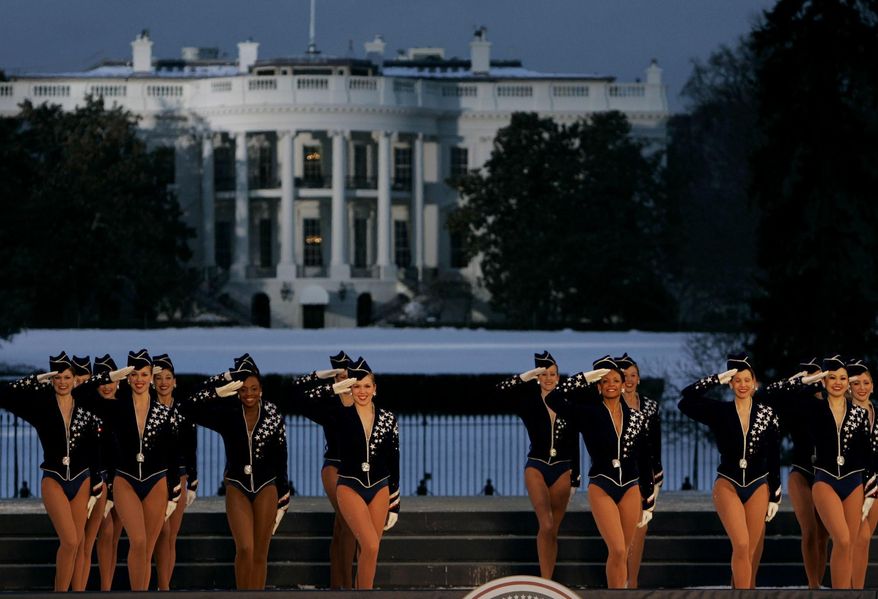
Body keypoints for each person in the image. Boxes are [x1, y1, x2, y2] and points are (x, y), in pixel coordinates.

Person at [178, 354, 289, 590]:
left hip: (267, 486)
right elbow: (187, 406)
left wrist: (284, 494)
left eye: (254, 388)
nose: (249, 393)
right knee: (245, 548)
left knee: (260, 552)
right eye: (243, 389)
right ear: (236, 390)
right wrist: (222, 382)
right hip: (237, 485)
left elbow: (281, 455)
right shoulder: (227, 413)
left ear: (261, 389)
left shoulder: (272, 413)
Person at [73, 349, 181, 591]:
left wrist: (174, 491)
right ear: (128, 378)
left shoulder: (164, 413)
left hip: (157, 482)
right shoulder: (115, 408)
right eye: (134, 374)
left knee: (147, 547)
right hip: (126, 481)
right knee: (139, 540)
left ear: (151, 376)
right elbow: (80, 394)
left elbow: (174, 453)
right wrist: (107, 376)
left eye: (144, 374)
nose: (140, 379)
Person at [545, 355, 654, 589]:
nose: (611, 384)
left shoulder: (636, 418)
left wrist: (649, 499)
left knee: (623, 552)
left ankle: (618, 592)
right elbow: (554, 398)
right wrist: (583, 378)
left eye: (616, 380)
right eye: (605, 381)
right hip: (602, 485)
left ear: (624, 383)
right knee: (616, 548)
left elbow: (645, 459)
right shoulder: (587, 414)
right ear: (598, 386)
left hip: (631, 488)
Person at [0, 352, 105, 591]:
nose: (62, 382)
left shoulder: (85, 409)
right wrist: (35, 380)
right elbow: (4, 395)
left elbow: (94, 449)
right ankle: (58, 594)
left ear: (74, 378)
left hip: (82, 480)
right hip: (54, 480)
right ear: (51, 379)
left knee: (77, 544)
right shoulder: (41, 408)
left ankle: (74, 593)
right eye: (57, 377)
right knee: (69, 541)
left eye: (67, 377)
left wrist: (97, 482)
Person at [768, 355, 876, 588]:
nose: (838, 382)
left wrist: (871, 491)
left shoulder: (857, 414)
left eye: (843, 378)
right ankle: (816, 586)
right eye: (832, 378)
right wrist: (804, 382)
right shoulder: (813, 409)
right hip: (823, 480)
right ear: (824, 382)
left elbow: (867, 455)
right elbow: (770, 395)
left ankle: (850, 591)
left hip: (854, 483)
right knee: (842, 539)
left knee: (851, 542)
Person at [678, 353, 782, 589]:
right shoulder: (720, 412)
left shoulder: (767, 414)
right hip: (728, 483)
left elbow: (774, 455)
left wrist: (775, 492)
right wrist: (715, 379)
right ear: (731, 384)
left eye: (747, 379)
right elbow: (685, 400)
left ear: (754, 381)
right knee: (742, 545)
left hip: (758, 484)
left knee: (751, 552)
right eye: (737, 380)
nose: (743, 385)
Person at [302, 357, 399, 589]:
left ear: (375, 389)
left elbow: (393, 459)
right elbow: (299, 397)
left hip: (380, 488)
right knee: (371, 545)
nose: (362, 391)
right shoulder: (340, 414)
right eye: (356, 386)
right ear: (349, 388)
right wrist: (328, 382)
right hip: (349, 486)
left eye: (367, 386)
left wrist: (395, 503)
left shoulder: (387, 418)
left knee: (371, 550)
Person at [496, 351, 579, 579]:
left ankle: (547, 581)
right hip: (537, 466)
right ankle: (545, 581)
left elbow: (575, 440)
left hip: (563, 467)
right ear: (538, 378)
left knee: (553, 530)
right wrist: (525, 376)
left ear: (559, 377)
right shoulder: (529, 403)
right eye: (544, 374)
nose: (549, 378)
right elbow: (500, 391)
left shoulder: (568, 403)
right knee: (546, 522)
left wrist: (576, 477)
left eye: (553, 374)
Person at [279, 351, 357, 588]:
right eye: (338, 378)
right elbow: (293, 394)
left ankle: (338, 585)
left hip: (358, 472)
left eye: (347, 376)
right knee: (349, 520)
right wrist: (317, 377)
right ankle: (346, 587)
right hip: (334, 467)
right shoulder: (328, 405)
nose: (343, 381)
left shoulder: (364, 402)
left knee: (342, 527)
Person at [759, 357, 829, 588]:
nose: (813, 380)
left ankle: (819, 584)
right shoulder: (794, 405)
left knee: (823, 534)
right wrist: (792, 383)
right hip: (801, 472)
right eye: (807, 375)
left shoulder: (836, 404)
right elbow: (762, 397)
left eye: (816, 374)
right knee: (809, 531)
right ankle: (813, 587)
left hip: (829, 474)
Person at [615, 353, 663, 589]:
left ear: (639, 378)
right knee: (622, 536)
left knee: (639, 532)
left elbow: (656, 444)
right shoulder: (611, 406)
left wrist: (656, 477)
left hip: (648, 476)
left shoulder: (651, 407)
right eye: (624, 376)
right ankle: (619, 582)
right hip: (620, 477)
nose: (629, 380)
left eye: (633, 375)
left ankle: (632, 583)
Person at [152, 353, 198, 591]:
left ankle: (164, 588)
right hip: (154, 476)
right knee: (162, 530)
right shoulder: (145, 408)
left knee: (171, 536)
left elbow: (192, 447)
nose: (163, 382)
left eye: (168, 377)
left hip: (179, 475)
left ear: (175, 381)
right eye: (158, 378)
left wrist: (193, 481)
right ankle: (161, 586)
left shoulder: (184, 410)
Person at [90, 354, 125, 591]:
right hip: (100, 477)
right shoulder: (90, 407)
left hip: (123, 478)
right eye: (102, 380)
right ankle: (104, 589)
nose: (106, 385)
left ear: (118, 381)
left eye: (110, 379)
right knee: (106, 531)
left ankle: (108, 586)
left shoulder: (127, 407)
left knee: (114, 536)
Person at [847, 359, 877, 588]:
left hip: (876, 485)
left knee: (864, 542)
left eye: (866, 382)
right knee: (860, 536)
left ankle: (856, 589)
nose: (862, 387)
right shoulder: (844, 415)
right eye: (856, 383)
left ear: (873, 386)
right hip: (855, 482)